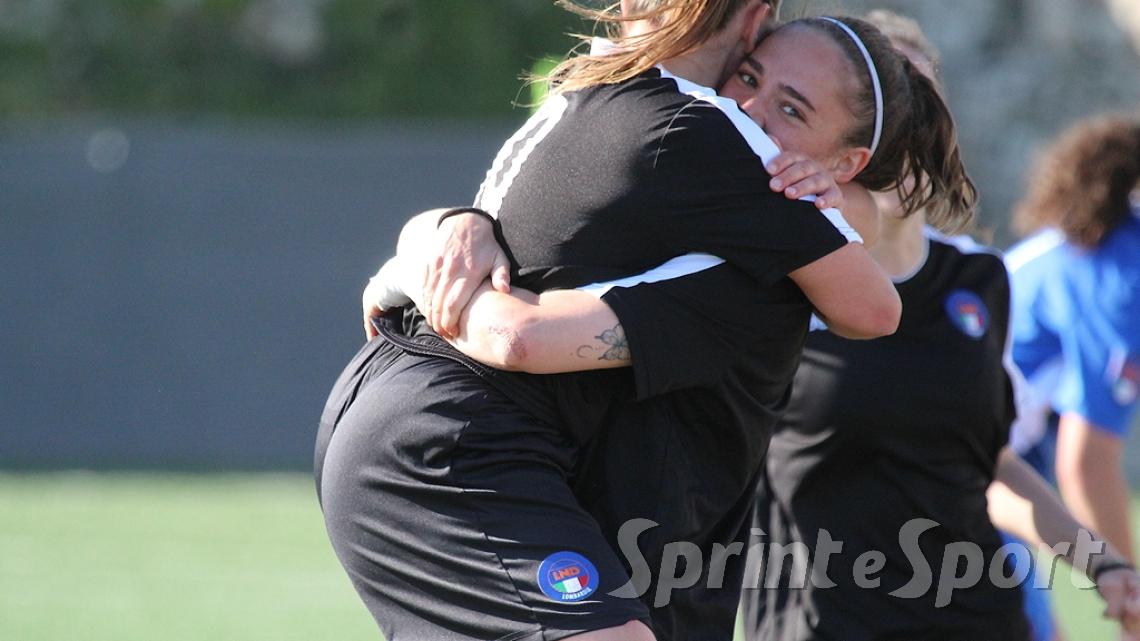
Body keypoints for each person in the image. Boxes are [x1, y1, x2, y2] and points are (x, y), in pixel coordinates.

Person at [349, 9, 973, 641]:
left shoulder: (747, 198)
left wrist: (415, 261)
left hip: (644, 539)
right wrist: (426, 256)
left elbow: (874, 300)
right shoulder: (704, 152)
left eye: (791, 110)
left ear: (846, 162)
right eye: (749, 77)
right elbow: (516, 333)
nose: (750, 109)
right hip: (449, 446)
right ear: (750, 29)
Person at [735, 12, 1140, 641]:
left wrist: (1102, 563)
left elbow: (989, 463)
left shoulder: (978, 280)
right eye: (885, 112)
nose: (906, 134)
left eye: (919, 106)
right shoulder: (777, 283)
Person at [1005, 113, 1140, 641]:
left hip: (990, 463)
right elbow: (1086, 463)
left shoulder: (1111, 244)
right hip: (951, 468)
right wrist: (1130, 596)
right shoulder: (1123, 276)